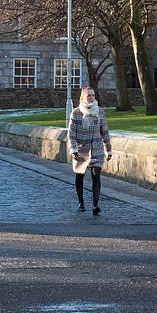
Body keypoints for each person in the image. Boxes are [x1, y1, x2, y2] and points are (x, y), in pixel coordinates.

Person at [69, 87, 112, 216]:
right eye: (88, 95)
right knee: (79, 175)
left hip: (97, 148)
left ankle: (95, 204)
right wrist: (73, 149)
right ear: (83, 97)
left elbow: (105, 131)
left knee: (96, 175)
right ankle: (81, 202)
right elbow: (71, 134)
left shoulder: (100, 112)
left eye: (93, 95)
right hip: (82, 148)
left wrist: (108, 149)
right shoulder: (76, 113)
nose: (91, 98)